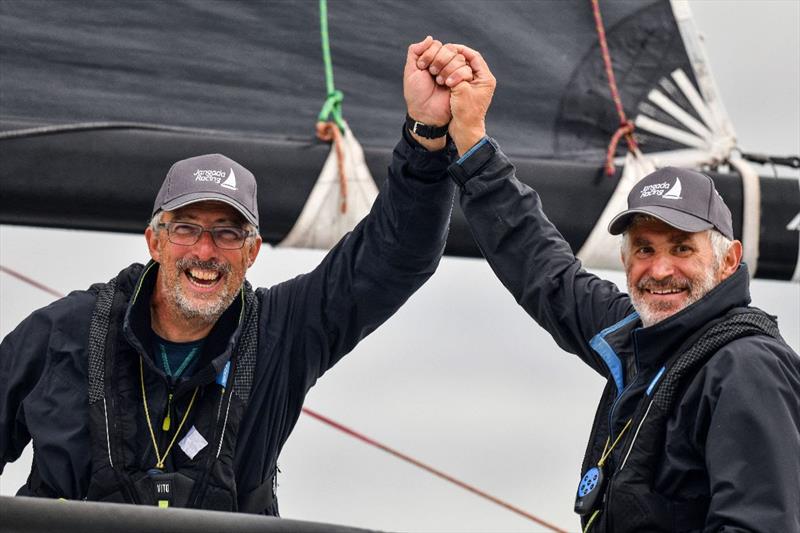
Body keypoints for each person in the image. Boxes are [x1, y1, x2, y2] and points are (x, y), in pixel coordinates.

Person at [0, 37, 473, 514]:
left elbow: (395, 259)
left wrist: (426, 136)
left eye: (228, 233)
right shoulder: (62, 333)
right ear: (154, 242)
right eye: (186, 228)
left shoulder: (282, 333)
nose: (205, 251)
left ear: (252, 252)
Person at [436, 44, 800, 532]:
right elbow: (545, 272)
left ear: (729, 260)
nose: (660, 269)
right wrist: (470, 140)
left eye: (682, 248)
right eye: (645, 249)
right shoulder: (637, 338)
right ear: (625, 261)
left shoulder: (745, 368)